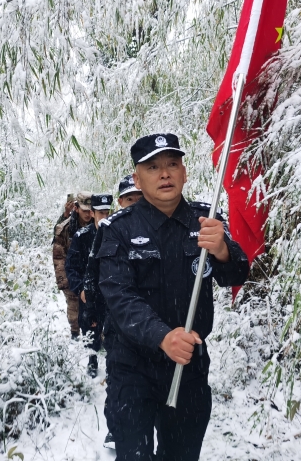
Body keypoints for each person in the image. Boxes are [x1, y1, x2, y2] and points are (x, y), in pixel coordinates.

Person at [97, 133, 249, 461]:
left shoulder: (206, 221)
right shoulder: (117, 230)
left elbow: (237, 275)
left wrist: (222, 249)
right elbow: (119, 297)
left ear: (184, 172)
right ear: (137, 179)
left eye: (172, 164)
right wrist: (162, 336)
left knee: (181, 454)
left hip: (188, 367)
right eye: (153, 167)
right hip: (132, 368)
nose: (165, 173)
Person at [82, 174, 143, 450]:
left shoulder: (155, 229)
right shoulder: (111, 231)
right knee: (118, 383)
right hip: (116, 324)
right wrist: (92, 314)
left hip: (149, 328)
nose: (135, 204)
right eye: (129, 199)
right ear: (121, 201)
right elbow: (91, 278)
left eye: (139, 198)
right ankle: (116, 430)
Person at [65, 193, 112, 377]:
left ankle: (112, 366)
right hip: (90, 294)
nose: (104, 217)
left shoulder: (116, 233)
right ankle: (92, 361)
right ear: (92, 213)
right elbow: (71, 266)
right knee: (90, 329)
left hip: (111, 293)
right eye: (100, 213)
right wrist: (80, 289)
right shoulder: (82, 236)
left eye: (107, 213)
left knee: (112, 332)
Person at [52, 191, 93, 338]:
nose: (88, 214)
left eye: (91, 210)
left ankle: (94, 336)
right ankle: (75, 334)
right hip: (72, 272)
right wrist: (65, 282)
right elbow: (58, 257)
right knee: (74, 308)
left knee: (93, 307)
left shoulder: (97, 225)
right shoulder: (66, 228)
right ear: (76, 208)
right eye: (85, 211)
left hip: (90, 272)